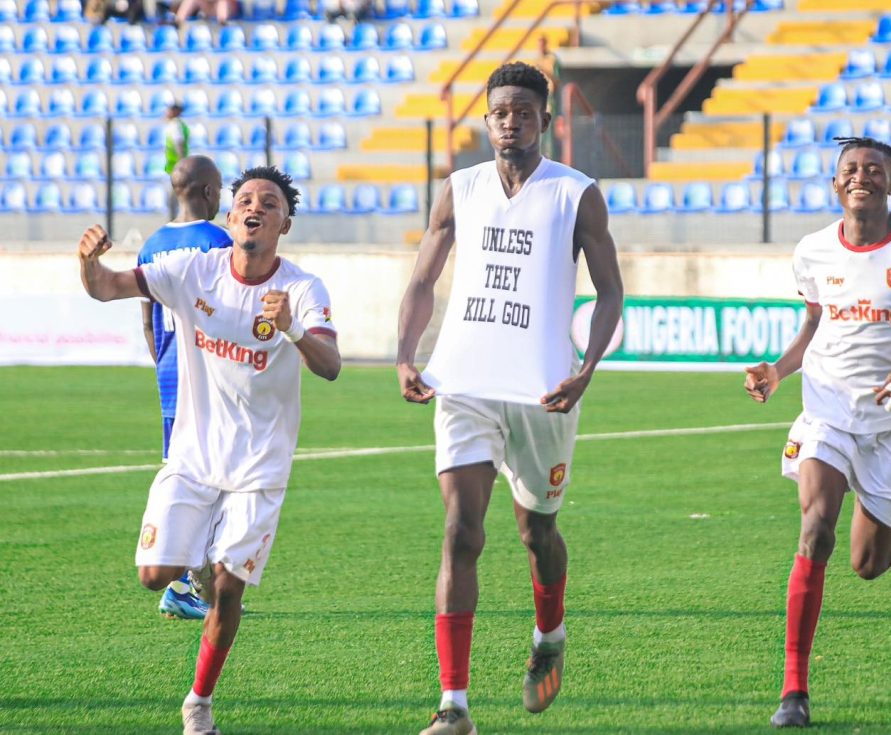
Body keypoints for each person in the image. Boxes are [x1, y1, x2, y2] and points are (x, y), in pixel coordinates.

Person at [396, 62, 623, 735]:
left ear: (544, 119)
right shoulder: (459, 189)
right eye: (500, 111)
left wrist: (588, 366)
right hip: (464, 384)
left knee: (537, 531)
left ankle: (549, 629)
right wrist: (407, 353)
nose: (511, 121)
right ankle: (454, 705)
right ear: (486, 118)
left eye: (524, 111)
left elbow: (610, 291)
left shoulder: (576, 194)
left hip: (544, 391)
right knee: (461, 532)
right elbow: (422, 277)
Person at [77, 166, 341, 735]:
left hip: (258, 467)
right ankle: (199, 560)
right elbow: (106, 288)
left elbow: (331, 366)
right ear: (228, 217)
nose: (255, 207)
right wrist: (87, 263)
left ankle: (198, 703)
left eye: (268, 203)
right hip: (193, 459)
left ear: (283, 224)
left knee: (228, 587)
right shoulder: (193, 269)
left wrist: (293, 329)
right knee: (153, 575)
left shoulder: (300, 288)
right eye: (245, 199)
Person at [743, 137, 891, 729]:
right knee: (815, 525)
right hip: (826, 410)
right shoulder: (813, 250)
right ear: (835, 183)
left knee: (869, 564)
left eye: (874, 170)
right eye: (851, 169)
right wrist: (779, 367)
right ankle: (793, 691)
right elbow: (815, 324)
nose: (862, 177)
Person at [137, 155, 234, 621]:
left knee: (187, 474)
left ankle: (193, 581)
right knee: (211, 480)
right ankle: (185, 584)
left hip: (172, 379)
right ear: (209, 192)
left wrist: (166, 368)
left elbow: (148, 321)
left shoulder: (151, 245)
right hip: (212, 380)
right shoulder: (217, 241)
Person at [164, 103, 189, 220]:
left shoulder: (175, 125)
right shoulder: (179, 125)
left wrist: (181, 165)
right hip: (174, 166)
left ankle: (175, 221)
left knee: (175, 198)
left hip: (176, 167)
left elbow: (179, 145)